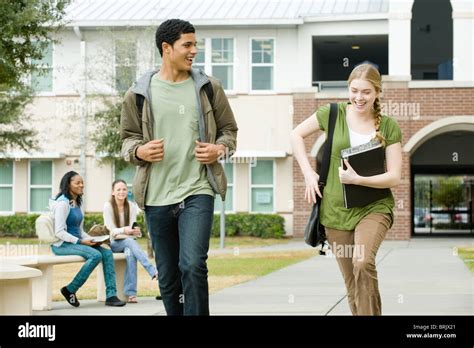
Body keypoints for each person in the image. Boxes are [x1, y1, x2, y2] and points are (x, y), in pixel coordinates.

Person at [120, 19, 238, 315]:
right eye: (187, 45)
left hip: (197, 190)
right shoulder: (138, 94)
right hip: (157, 196)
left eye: (195, 44)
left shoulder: (209, 88)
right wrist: (140, 150)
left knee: (193, 264)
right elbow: (126, 141)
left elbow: (229, 130)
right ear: (166, 48)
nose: (194, 51)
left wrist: (219, 149)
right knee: (169, 275)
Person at [290, 63, 402, 315]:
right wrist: (309, 173)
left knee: (362, 262)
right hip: (335, 211)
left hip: (374, 206)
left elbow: (395, 176)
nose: (359, 98)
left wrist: (358, 179)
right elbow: (295, 135)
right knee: (352, 283)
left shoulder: (388, 126)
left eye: (366, 92)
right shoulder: (332, 114)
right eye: (354, 91)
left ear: (377, 93)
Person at [51, 171, 126, 307]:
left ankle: (111, 295)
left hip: (77, 242)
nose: (81, 185)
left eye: (82, 182)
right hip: (62, 245)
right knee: (95, 255)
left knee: (107, 253)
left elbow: (79, 230)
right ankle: (70, 289)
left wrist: (92, 239)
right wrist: (80, 241)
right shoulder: (62, 203)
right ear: (68, 185)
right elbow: (59, 232)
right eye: (77, 183)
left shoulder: (77, 203)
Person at [103, 179, 161, 303]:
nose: (121, 192)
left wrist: (136, 232)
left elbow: (133, 232)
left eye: (124, 189)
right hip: (113, 243)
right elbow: (112, 232)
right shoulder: (108, 206)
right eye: (118, 189)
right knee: (129, 242)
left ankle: (131, 294)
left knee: (130, 253)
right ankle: (153, 270)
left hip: (128, 241)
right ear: (113, 192)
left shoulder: (131, 206)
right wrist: (126, 230)